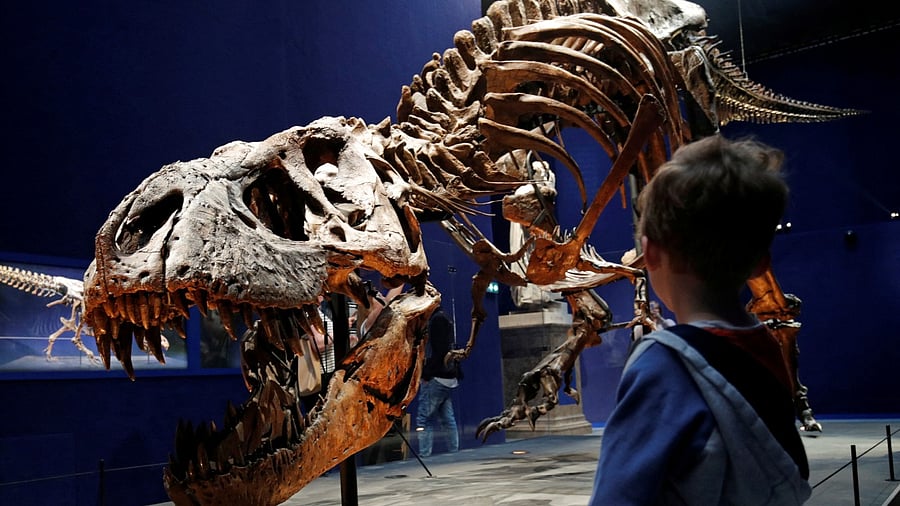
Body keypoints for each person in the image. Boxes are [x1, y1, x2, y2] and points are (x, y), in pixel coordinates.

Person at [589, 135, 811, 505]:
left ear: (649, 254)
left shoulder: (662, 365)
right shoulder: (767, 349)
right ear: (760, 263)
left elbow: (617, 497)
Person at [415, 305, 462, 457]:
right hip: (447, 377)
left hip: (436, 377)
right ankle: (454, 453)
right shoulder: (445, 318)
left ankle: (425, 454)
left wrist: (427, 373)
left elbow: (439, 350)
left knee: (424, 419)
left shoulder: (436, 320)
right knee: (447, 418)